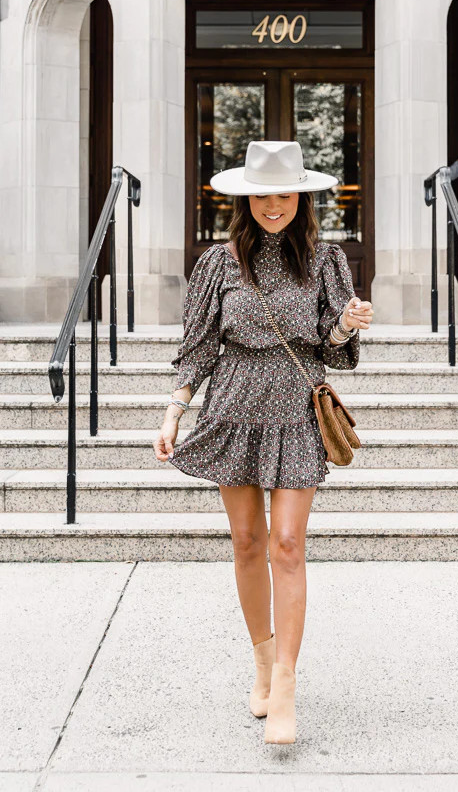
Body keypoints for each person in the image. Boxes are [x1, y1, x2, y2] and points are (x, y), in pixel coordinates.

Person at [153, 139, 374, 745]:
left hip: (297, 413)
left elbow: (334, 356)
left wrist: (342, 326)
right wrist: (174, 412)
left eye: (283, 193)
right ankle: (260, 659)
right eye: (261, 195)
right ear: (243, 200)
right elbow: (199, 347)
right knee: (248, 542)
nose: (272, 205)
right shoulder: (217, 265)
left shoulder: (325, 261)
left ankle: (285, 683)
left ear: (302, 198)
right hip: (233, 410)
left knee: (287, 543)